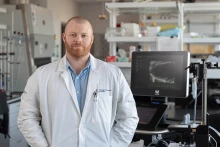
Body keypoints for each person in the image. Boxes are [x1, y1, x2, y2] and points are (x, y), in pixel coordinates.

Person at [17, 16, 139, 147]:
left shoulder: (113, 74)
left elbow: (129, 117)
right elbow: (26, 117)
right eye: (73, 35)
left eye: (84, 35)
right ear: (64, 37)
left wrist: (114, 145)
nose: (78, 40)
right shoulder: (41, 75)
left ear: (92, 39)